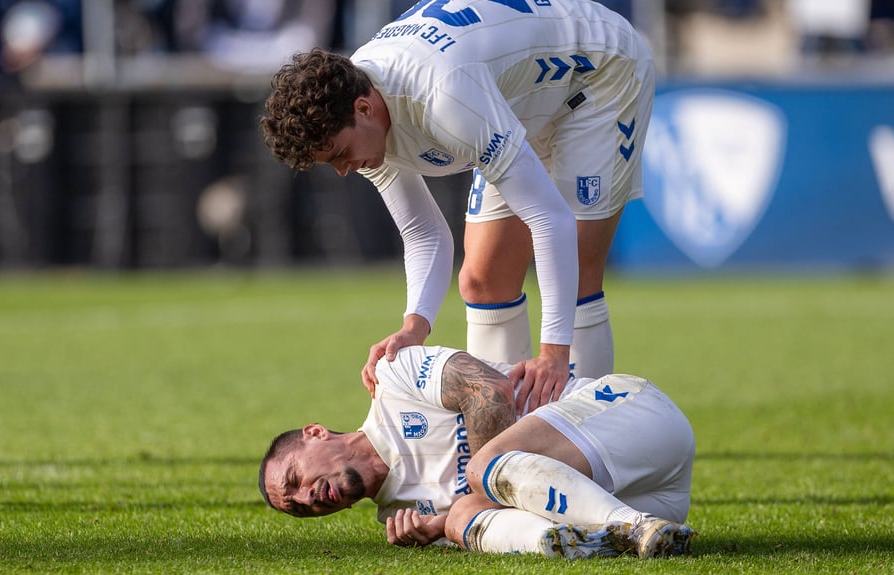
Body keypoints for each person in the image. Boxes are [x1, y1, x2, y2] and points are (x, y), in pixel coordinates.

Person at [258, 0, 656, 412]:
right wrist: (414, 326)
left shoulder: (445, 97)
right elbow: (423, 233)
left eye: (341, 153)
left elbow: (548, 217)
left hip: (598, 74)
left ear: (364, 109)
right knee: (483, 280)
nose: (344, 170)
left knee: (578, 265)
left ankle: (588, 429)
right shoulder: (359, 108)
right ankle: (503, 436)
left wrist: (554, 353)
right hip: (520, 96)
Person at [258, 345, 696, 558]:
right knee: (464, 515)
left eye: (295, 480)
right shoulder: (403, 515)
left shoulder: (393, 379)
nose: (306, 498)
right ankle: (576, 543)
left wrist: (471, 497)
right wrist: (444, 526)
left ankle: (634, 528)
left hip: (632, 416)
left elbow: (489, 388)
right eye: (297, 508)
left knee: (480, 476)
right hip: (651, 494)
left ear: (315, 432)